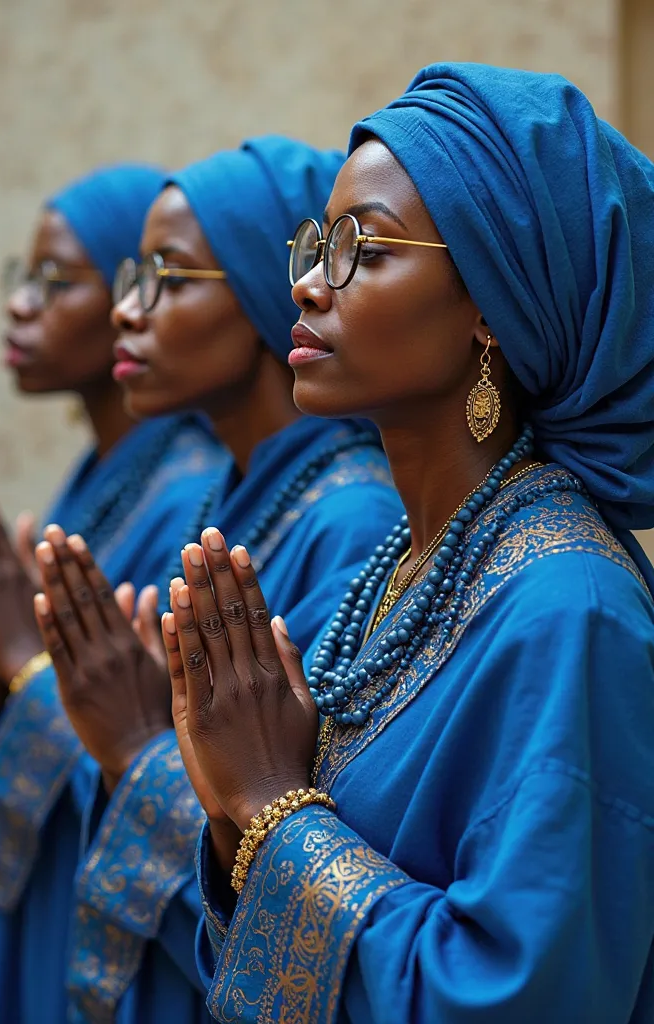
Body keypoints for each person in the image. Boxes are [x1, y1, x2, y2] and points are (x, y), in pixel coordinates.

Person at [162, 64, 654, 1023]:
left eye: (365, 250)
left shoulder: (569, 610)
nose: (307, 280)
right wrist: (235, 817)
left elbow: (520, 999)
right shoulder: (407, 561)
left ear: (491, 307)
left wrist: (271, 806)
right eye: (316, 243)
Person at [31, 137, 403, 1023]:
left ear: (259, 287)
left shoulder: (347, 519)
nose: (131, 310)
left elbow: (289, 812)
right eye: (131, 276)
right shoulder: (227, 498)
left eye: (173, 276)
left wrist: (128, 740)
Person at [0, 165, 225, 1024]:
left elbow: (133, 734)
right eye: (23, 279)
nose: (19, 305)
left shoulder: (193, 500)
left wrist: (18, 660)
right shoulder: (106, 477)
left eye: (55, 280)